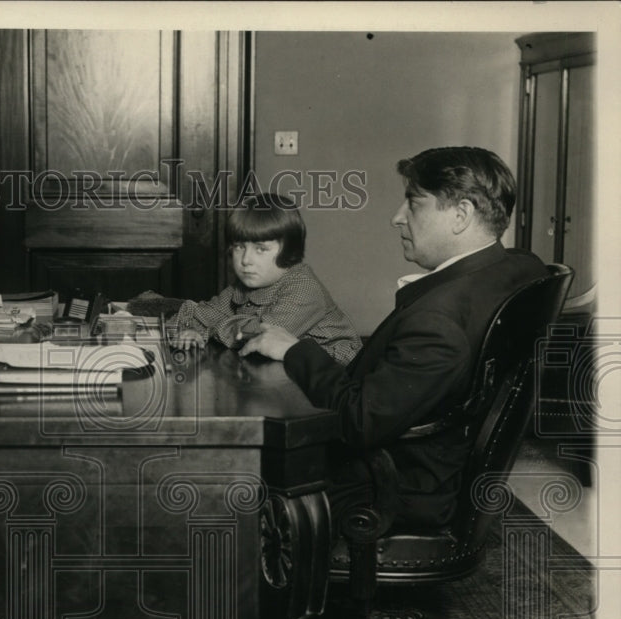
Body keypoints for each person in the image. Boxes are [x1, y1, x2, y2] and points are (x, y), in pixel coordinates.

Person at [241, 147, 547, 527]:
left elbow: (358, 421)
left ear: (461, 215)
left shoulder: (439, 320)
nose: (397, 218)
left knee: (229, 483)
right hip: (425, 466)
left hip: (390, 488)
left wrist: (294, 350)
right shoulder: (519, 266)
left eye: (414, 204)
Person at [170, 193, 362, 365]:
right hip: (286, 366)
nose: (245, 260)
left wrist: (209, 329)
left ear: (290, 250)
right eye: (239, 246)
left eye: (260, 249)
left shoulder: (304, 287)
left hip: (335, 372)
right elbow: (201, 314)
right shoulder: (246, 284)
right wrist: (193, 332)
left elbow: (262, 335)